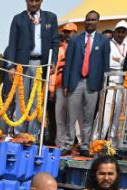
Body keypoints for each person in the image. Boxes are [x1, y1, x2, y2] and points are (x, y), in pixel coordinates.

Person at [5, 0, 59, 137]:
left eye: (37, 0)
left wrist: (53, 61)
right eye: (31, 0)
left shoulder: (50, 18)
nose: (33, 3)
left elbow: (55, 42)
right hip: (22, 65)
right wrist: (11, 66)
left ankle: (33, 135)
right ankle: (19, 133)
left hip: (40, 64)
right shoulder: (18, 19)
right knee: (21, 100)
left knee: (36, 102)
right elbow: (12, 44)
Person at [62, 10, 110, 158]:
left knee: (88, 118)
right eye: (88, 20)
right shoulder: (76, 40)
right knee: (71, 115)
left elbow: (105, 66)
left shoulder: (103, 41)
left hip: (93, 84)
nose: (90, 22)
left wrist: (103, 86)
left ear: (98, 22)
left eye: (93, 20)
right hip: (75, 82)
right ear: (84, 21)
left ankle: (84, 146)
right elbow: (68, 63)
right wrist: (65, 84)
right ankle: (68, 144)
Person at [48, 23, 77, 152]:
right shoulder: (60, 50)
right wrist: (52, 89)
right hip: (60, 86)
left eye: (69, 32)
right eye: (65, 32)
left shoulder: (79, 48)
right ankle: (59, 142)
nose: (67, 34)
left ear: (75, 33)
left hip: (75, 87)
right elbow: (54, 71)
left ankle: (72, 143)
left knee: (73, 117)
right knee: (59, 116)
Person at [101, 20, 127, 139]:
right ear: (114, 32)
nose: (120, 34)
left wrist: (119, 60)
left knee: (118, 114)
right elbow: (109, 62)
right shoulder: (107, 44)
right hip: (109, 82)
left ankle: (112, 142)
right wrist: (119, 61)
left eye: (123, 32)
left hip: (123, 82)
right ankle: (98, 140)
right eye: (118, 31)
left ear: (126, 33)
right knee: (105, 113)